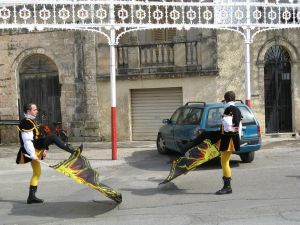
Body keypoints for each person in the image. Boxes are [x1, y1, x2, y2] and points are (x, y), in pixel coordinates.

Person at [16, 103, 82, 204]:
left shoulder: (30, 121)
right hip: (32, 149)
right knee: (52, 137)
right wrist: (33, 155)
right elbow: (27, 141)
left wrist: (43, 150)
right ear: (28, 111)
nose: (37, 111)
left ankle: (31, 197)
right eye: (35, 110)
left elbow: (39, 138)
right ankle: (72, 150)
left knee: (37, 173)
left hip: (36, 148)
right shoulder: (26, 122)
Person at [216, 91, 242, 195]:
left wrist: (226, 128)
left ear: (225, 99)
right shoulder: (237, 109)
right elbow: (238, 125)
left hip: (228, 140)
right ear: (234, 99)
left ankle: (227, 187)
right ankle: (227, 186)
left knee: (224, 162)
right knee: (225, 162)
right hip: (232, 138)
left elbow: (228, 127)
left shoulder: (228, 109)